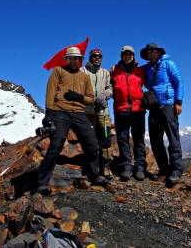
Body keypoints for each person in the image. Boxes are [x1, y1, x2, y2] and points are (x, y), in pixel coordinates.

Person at [37, 47, 108, 195]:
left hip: (79, 113)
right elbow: (50, 92)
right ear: (67, 59)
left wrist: (79, 97)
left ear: (81, 60)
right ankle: (43, 183)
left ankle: (94, 175)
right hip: (60, 112)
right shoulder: (58, 71)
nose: (74, 61)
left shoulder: (84, 77)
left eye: (77, 58)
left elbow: (90, 99)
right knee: (56, 145)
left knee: (92, 144)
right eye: (71, 58)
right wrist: (49, 113)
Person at [140, 43, 184, 184]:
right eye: (149, 52)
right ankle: (164, 170)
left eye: (154, 51)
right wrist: (117, 68)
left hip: (169, 105)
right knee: (155, 141)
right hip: (154, 107)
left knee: (173, 139)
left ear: (158, 53)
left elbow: (179, 82)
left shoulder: (168, 64)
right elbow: (132, 71)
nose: (152, 53)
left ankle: (176, 171)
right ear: (146, 55)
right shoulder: (146, 68)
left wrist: (179, 102)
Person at [110, 46, 147, 181]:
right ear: (121, 56)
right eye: (125, 54)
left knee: (139, 139)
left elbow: (151, 84)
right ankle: (126, 166)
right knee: (122, 139)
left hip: (138, 110)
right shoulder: (114, 71)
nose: (128, 56)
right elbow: (108, 87)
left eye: (130, 54)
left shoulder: (140, 71)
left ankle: (140, 167)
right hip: (121, 110)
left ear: (133, 56)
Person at [81, 48, 113, 178]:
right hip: (87, 112)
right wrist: (90, 100)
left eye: (100, 56)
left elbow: (110, 88)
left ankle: (106, 166)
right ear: (90, 57)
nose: (97, 58)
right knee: (89, 139)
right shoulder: (82, 71)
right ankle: (90, 166)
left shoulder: (105, 73)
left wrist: (105, 95)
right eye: (94, 56)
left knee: (105, 138)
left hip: (103, 112)